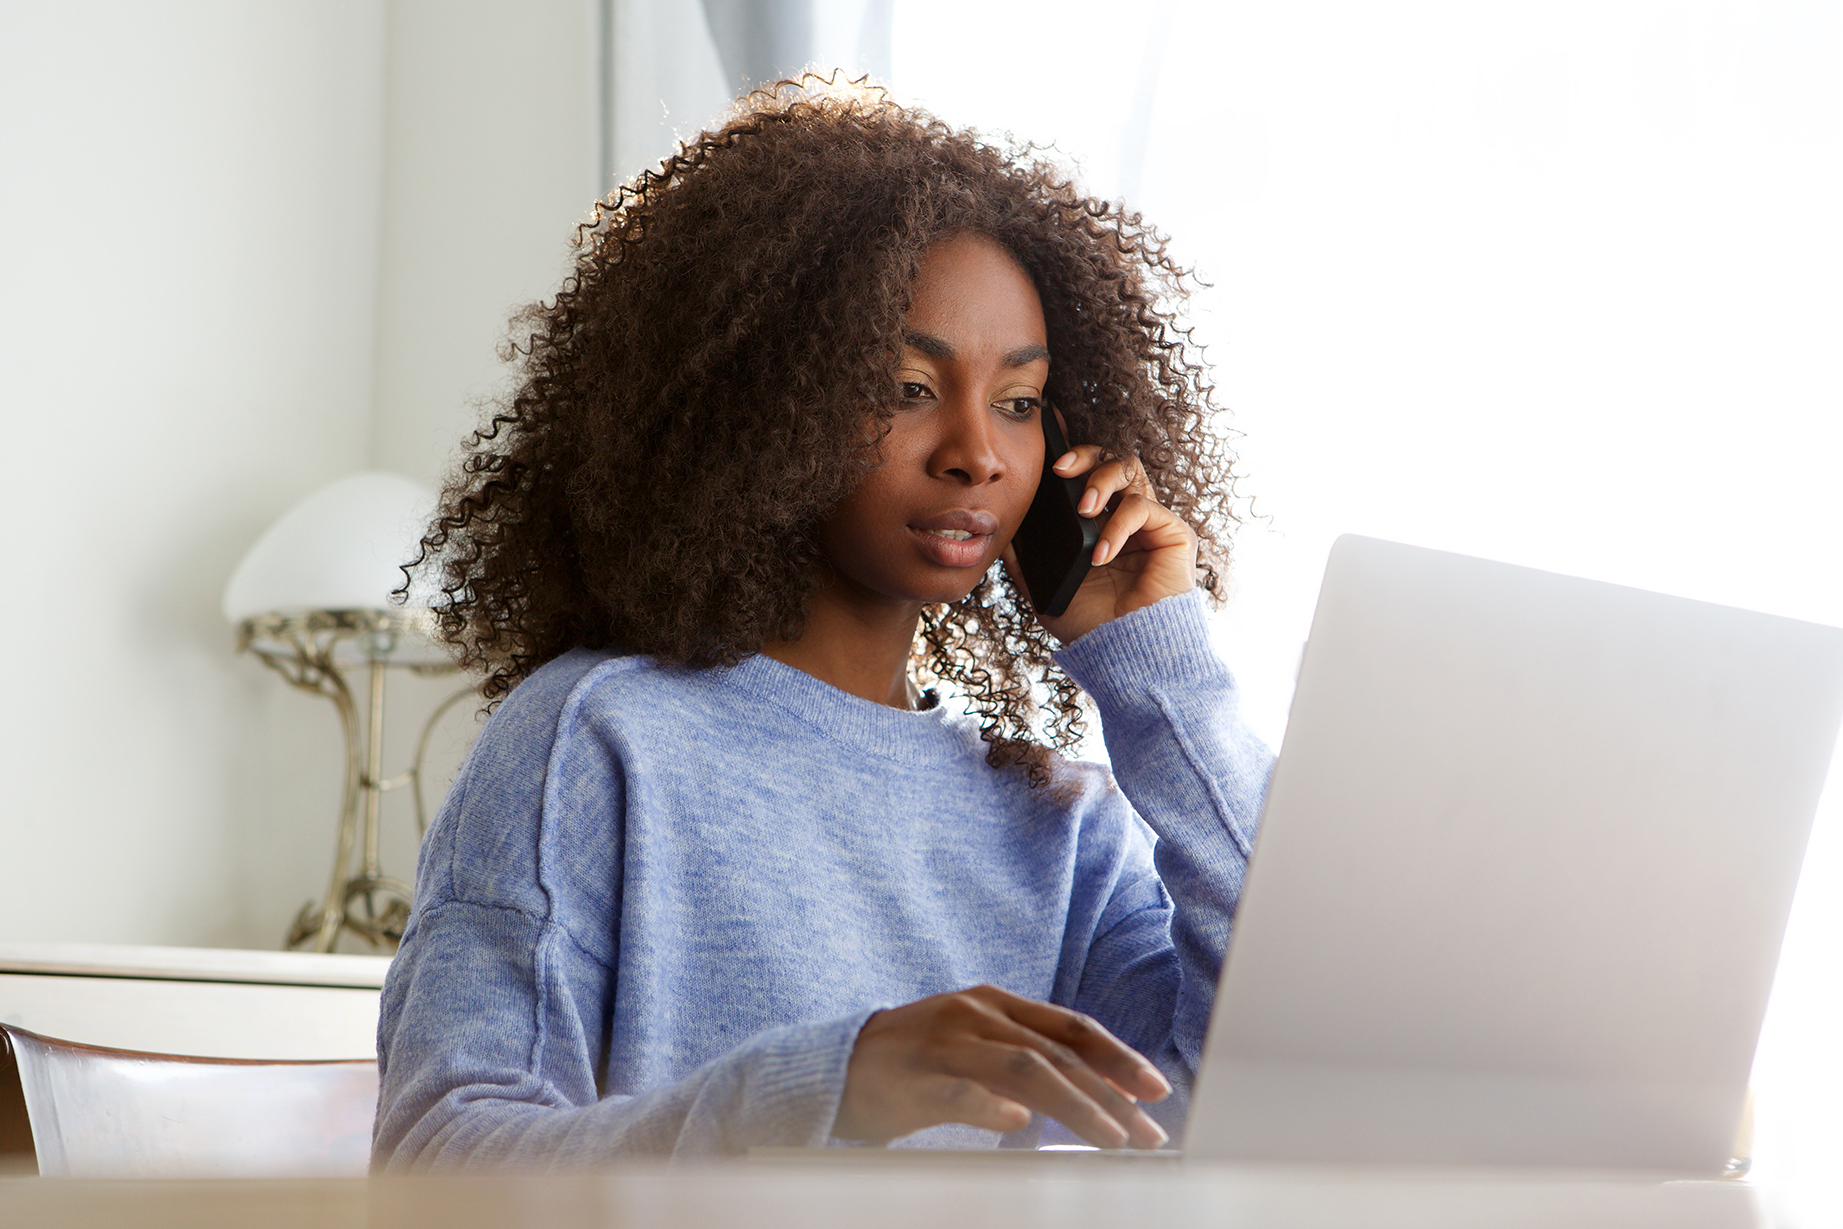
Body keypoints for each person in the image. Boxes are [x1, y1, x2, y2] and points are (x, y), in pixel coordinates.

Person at [372, 79, 1272, 1168]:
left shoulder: (1054, 822)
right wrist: (820, 1087)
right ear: (764, 401)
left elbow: (1247, 1098)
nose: (976, 452)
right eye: (904, 386)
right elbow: (436, 1158)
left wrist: (1156, 671)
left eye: (1020, 403)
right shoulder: (599, 738)